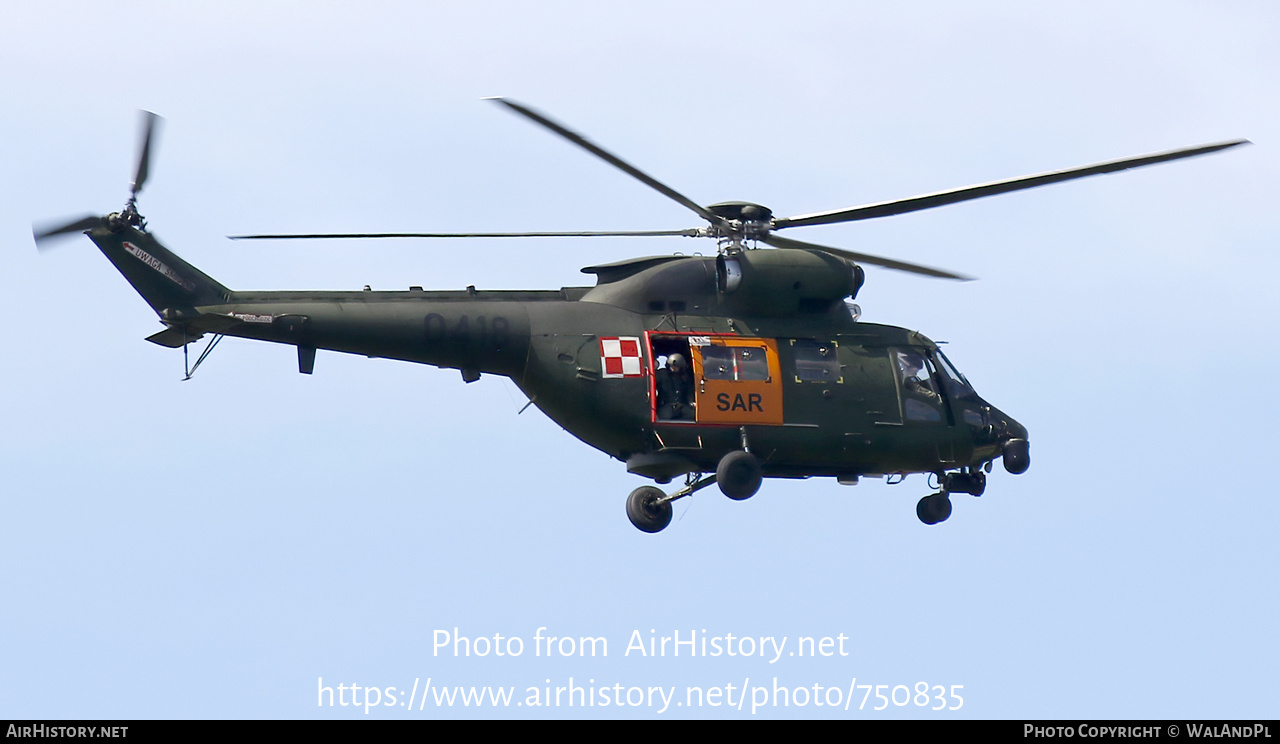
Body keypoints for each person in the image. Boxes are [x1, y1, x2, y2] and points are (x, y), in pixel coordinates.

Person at [655, 353, 694, 421]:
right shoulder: (662, 374)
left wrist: (691, 402)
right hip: (666, 404)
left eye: (676, 366)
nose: (673, 368)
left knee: (693, 415)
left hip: (681, 405)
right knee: (663, 418)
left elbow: (690, 391)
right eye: (672, 366)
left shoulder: (685, 378)